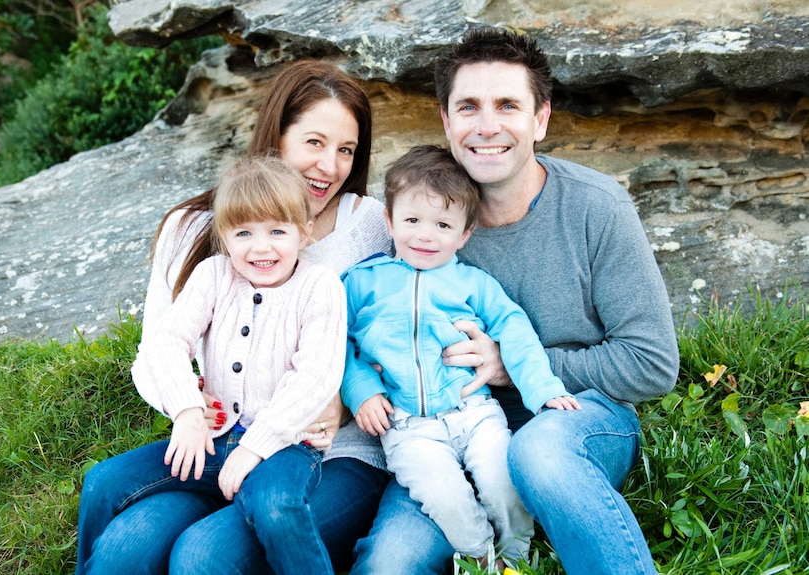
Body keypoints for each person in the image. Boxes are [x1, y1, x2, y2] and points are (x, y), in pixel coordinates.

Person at [348, 28, 680, 575]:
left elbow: (652, 365)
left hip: (574, 417)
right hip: (445, 428)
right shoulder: (422, 221)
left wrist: (512, 366)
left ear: (540, 119)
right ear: (447, 121)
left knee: (537, 454)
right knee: (390, 560)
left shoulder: (597, 208)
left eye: (508, 105)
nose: (487, 126)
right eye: (469, 107)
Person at [76, 60, 393, 575]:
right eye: (314, 142)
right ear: (276, 136)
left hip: (329, 454)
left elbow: (406, 333)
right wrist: (187, 405)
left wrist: (344, 398)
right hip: (215, 438)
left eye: (346, 150)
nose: (330, 166)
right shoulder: (195, 231)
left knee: (201, 557)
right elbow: (155, 352)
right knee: (122, 552)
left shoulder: (370, 225)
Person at [342, 144, 581, 568]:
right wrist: (360, 387)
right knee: (447, 499)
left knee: (503, 482)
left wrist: (543, 389)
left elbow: (515, 329)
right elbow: (333, 342)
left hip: (474, 411)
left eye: (443, 224)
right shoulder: (363, 283)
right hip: (408, 426)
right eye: (412, 220)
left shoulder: (473, 283)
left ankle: (515, 556)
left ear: (465, 232)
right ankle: (483, 559)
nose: (425, 235)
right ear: (390, 221)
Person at [123, 155, 347, 574]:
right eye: (243, 232)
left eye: (277, 231)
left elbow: (315, 376)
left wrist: (254, 448)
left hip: (285, 444)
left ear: (304, 231)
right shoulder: (213, 275)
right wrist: (188, 410)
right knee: (105, 482)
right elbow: (167, 340)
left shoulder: (320, 286)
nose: (260, 247)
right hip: (214, 436)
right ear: (225, 237)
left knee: (275, 505)